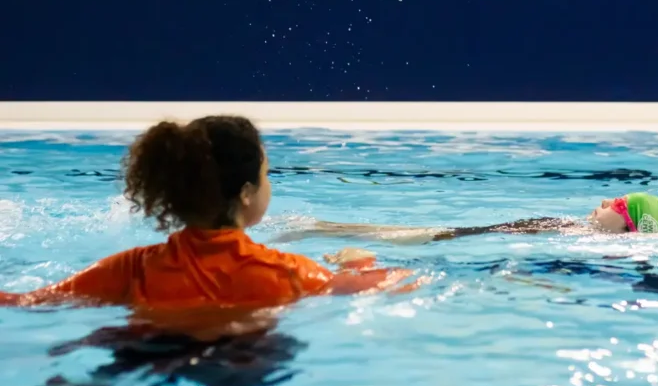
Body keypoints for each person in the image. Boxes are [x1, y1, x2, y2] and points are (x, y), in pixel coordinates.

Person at [0, 116, 416, 311]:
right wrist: (358, 260)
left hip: (139, 356)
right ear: (247, 193)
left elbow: (26, 301)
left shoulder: (131, 269)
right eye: (267, 174)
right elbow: (397, 283)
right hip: (240, 366)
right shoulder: (286, 272)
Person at [273, 192, 658, 245]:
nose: (602, 203)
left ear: (632, 227)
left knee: (414, 236)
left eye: (616, 206)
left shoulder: (615, 245)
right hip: (494, 233)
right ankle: (327, 226)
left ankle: (327, 227)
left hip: (475, 240)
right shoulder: (586, 232)